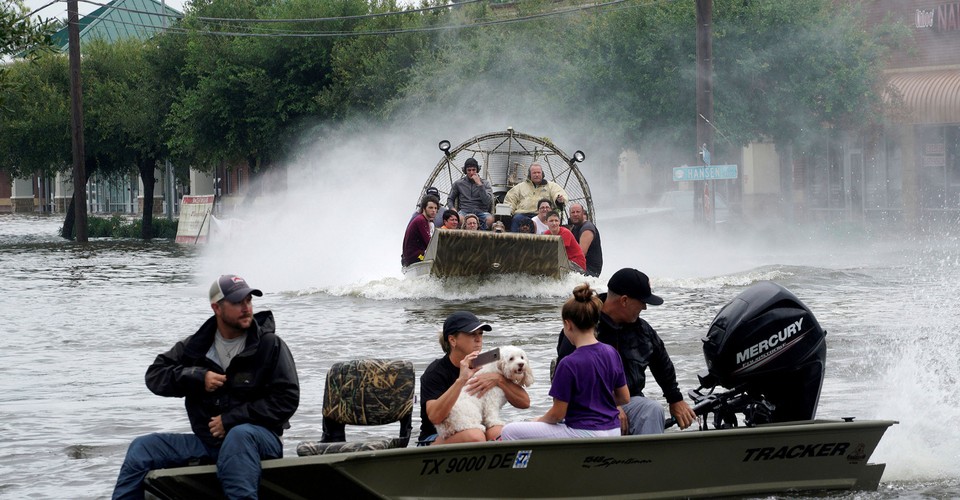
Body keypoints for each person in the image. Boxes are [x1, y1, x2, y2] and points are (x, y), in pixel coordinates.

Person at [112, 275, 300, 499]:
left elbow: (287, 399)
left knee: (238, 436)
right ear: (217, 308)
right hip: (207, 443)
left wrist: (231, 419)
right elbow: (154, 376)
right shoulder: (194, 347)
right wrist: (196, 377)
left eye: (249, 301)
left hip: (260, 440)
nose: (246, 308)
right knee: (143, 448)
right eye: (238, 302)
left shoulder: (270, 345)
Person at [556, 268, 696, 435]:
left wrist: (675, 400)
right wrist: (611, 406)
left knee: (653, 409)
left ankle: (650, 459)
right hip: (587, 406)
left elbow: (662, 364)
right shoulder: (584, 323)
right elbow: (566, 377)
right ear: (624, 300)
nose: (645, 307)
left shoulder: (643, 330)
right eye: (642, 302)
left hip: (630, 400)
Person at [500, 284, 629, 440]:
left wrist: (539, 421)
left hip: (584, 433)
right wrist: (596, 402)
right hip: (613, 430)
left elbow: (557, 414)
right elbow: (624, 398)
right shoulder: (611, 353)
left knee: (509, 431)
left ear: (568, 325)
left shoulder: (569, 363)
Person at [418, 311, 530, 445]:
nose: (478, 339)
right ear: (452, 340)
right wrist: (461, 381)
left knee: (503, 433)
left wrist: (499, 379)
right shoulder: (435, 371)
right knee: (475, 436)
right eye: (472, 334)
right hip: (434, 436)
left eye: (480, 334)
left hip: (479, 425)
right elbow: (435, 417)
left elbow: (525, 403)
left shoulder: (487, 361)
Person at [504, 162, 568, 231]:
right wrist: (508, 213)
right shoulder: (520, 187)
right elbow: (510, 199)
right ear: (529, 175)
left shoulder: (551, 186)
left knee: (546, 220)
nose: (537, 175)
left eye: (538, 172)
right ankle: (513, 241)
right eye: (534, 173)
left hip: (542, 215)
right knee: (516, 219)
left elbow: (559, 194)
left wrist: (559, 199)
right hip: (522, 214)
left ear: (542, 174)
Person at [447, 157, 495, 229]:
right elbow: (450, 199)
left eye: (473, 170)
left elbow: (488, 201)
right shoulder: (458, 183)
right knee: (458, 219)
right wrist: (452, 208)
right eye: (469, 170)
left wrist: (480, 185)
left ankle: (481, 236)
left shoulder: (485, 183)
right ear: (465, 171)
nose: (471, 173)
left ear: (477, 170)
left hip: (481, 211)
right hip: (464, 211)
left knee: (490, 220)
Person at [402, 194, 439, 266]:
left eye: (435, 208)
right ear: (424, 208)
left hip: (416, 254)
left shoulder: (425, 221)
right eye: (430, 208)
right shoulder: (421, 220)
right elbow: (429, 243)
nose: (434, 210)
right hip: (414, 257)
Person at [567, 203, 603, 277]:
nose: (575, 214)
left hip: (590, 270)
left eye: (578, 212)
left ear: (583, 213)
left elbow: (581, 254)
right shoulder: (574, 227)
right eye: (573, 212)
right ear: (569, 214)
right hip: (580, 266)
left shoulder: (587, 229)